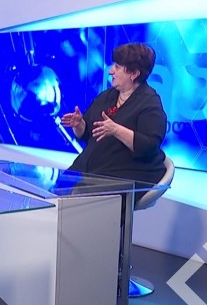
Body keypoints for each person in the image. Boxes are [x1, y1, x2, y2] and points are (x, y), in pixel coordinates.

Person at [60, 43, 167, 200]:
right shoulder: (107, 96)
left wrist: (116, 130)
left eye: (117, 67)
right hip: (89, 169)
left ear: (134, 74)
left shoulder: (150, 103)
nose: (111, 71)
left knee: (78, 200)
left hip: (126, 174)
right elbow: (87, 135)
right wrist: (79, 125)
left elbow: (149, 147)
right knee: (56, 189)